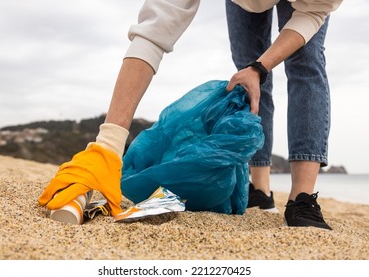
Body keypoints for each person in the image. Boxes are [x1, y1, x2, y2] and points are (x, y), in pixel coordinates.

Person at [38, 0, 343, 230]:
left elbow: (313, 13)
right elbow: (154, 31)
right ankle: (260, 189)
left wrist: (262, 66)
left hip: (308, 6)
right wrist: (108, 146)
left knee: (305, 62)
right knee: (247, 74)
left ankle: (302, 197)